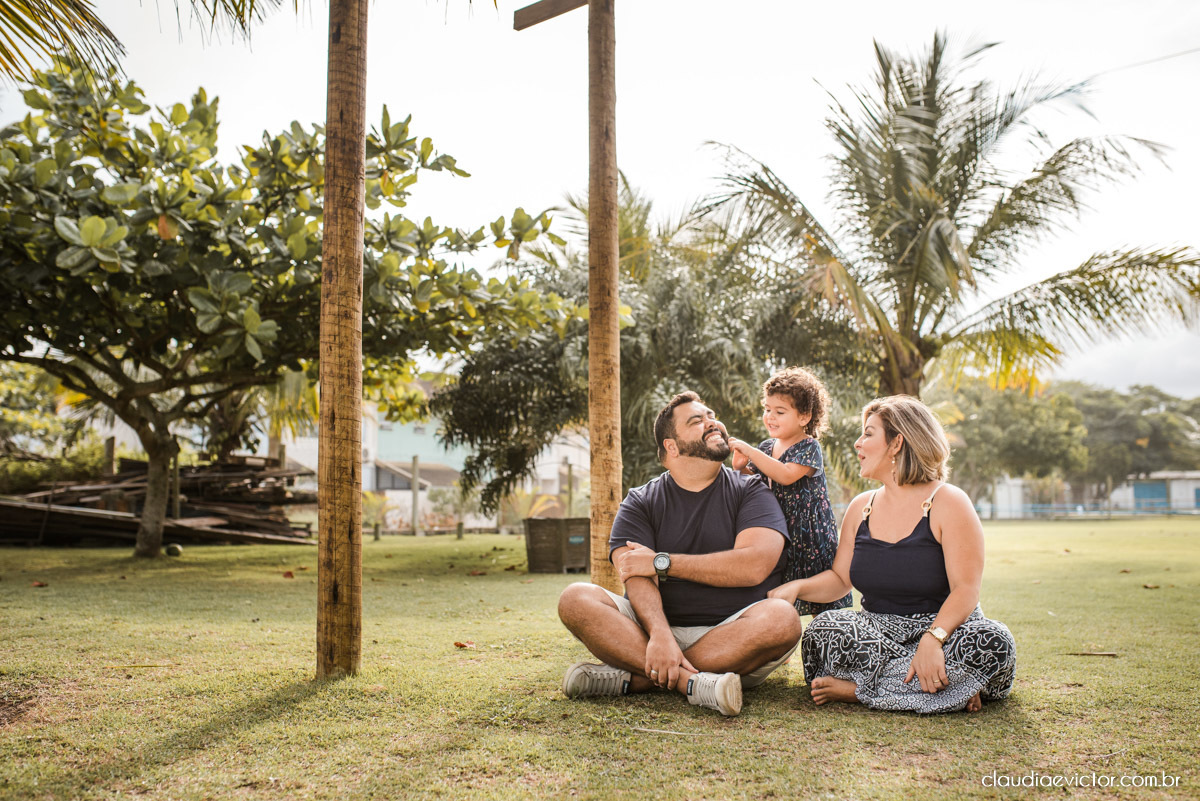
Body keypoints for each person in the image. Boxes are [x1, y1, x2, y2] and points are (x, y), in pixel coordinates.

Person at [556, 391, 804, 716]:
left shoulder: (751, 490)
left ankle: (638, 679)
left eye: (711, 416)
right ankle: (693, 682)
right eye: (697, 420)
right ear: (671, 446)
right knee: (576, 598)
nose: (711, 422)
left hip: (732, 635)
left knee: (782, 619)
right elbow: (634, 574)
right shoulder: (641, 501)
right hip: (650, 632)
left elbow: (754, 565)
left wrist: (662, 562)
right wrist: (659, 633)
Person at [770, 395, 1016, 714]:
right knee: (824, 631)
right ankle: (950, 688)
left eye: (869, 433)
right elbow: (840, 580)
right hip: (878, 632)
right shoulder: (862, 506)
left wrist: (933, 640)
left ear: (897, 442)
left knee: (994, 641)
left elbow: (966, 590)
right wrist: (798, 587)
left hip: (947, 629)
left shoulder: (949, 501)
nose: (858, 443)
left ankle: (861, 691)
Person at [728, 367, 852, 617]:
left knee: (822, 605)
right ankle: (783, 645)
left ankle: (823, 642)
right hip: (782, 534)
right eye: (767, 409)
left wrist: (751, 452)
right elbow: (757, 481)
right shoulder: (766, 447)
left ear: (804, 417)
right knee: (782, 598)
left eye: (780, 412)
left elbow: (784, 475)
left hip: (811, 536)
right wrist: (742, 468)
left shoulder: (808, 447)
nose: (770, 417)